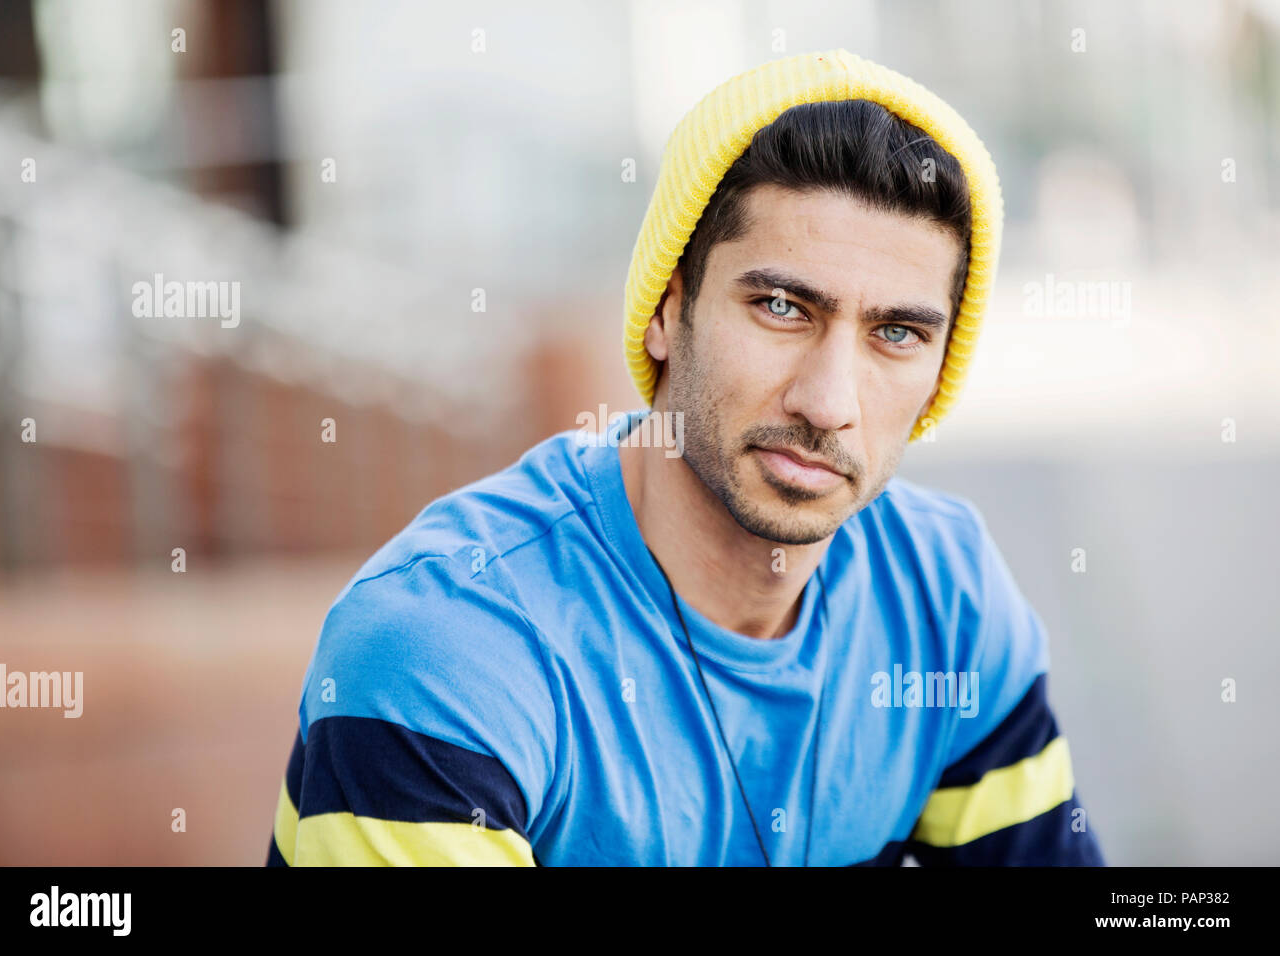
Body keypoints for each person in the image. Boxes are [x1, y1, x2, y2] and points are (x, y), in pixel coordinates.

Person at [265, 48, 1105, 866]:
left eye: (896, 333)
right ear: (667, 311)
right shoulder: (447, 648)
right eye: (781, 307)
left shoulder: (943, 597)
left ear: (938, 376)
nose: (829, 403)